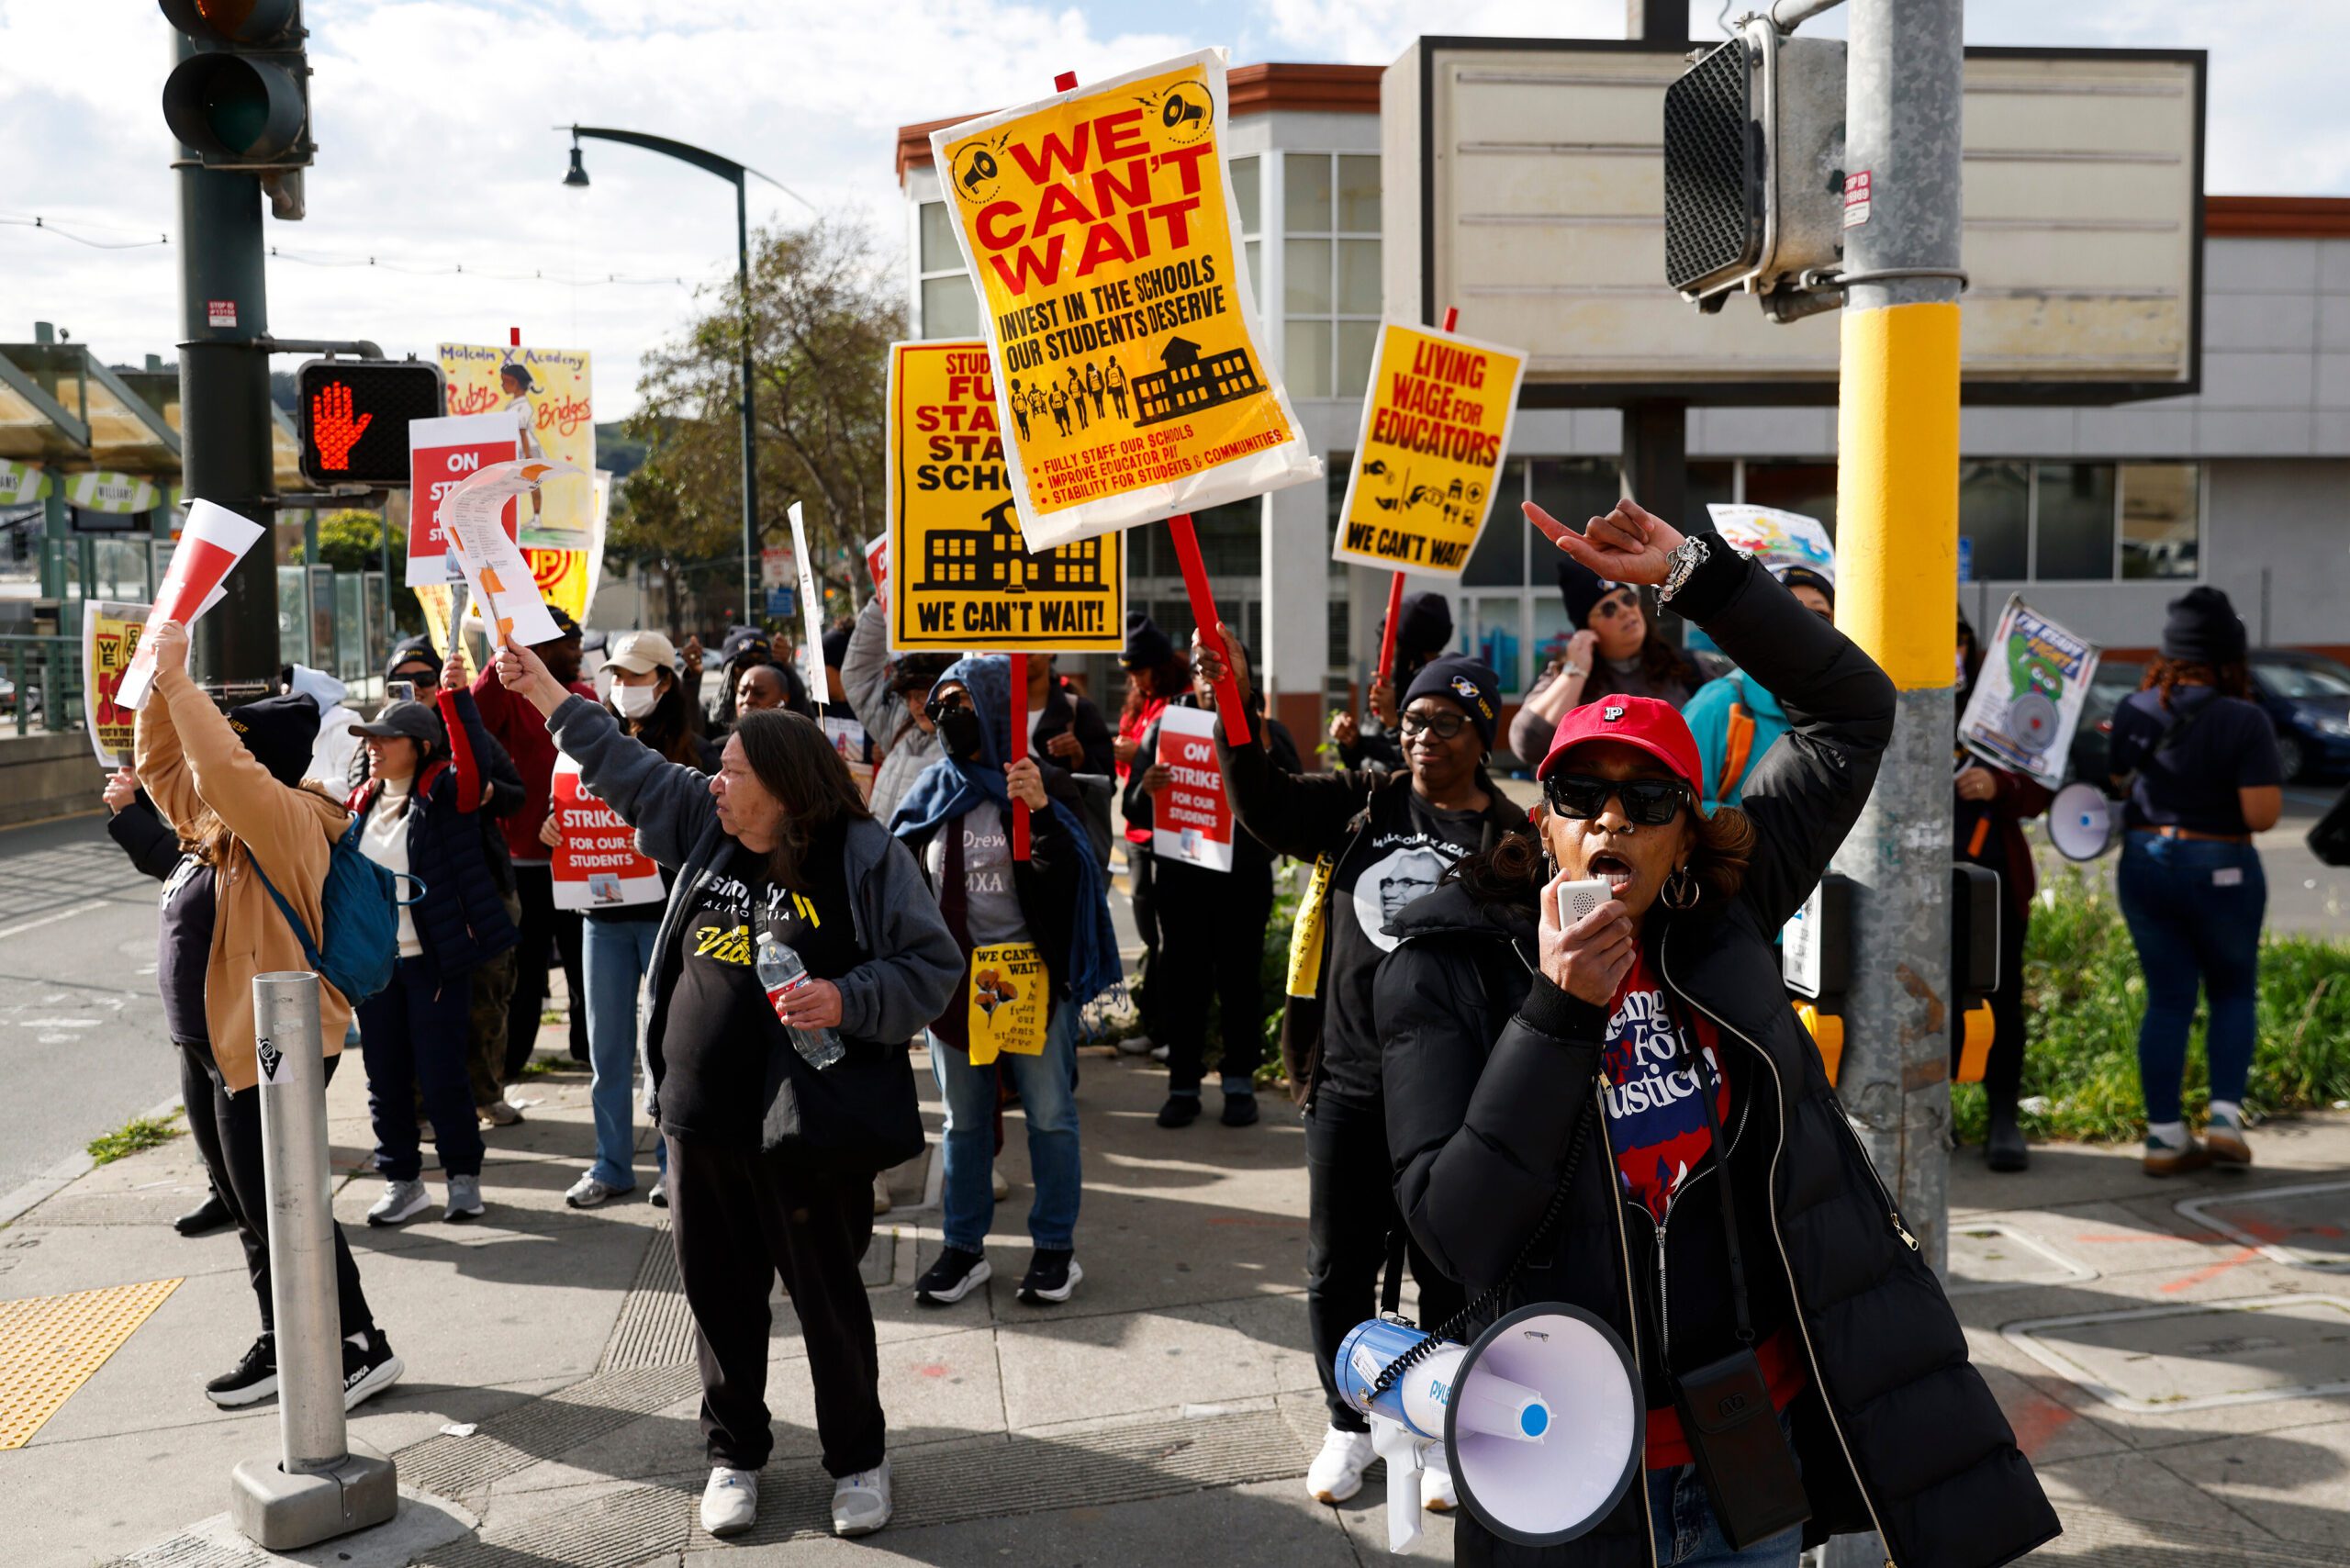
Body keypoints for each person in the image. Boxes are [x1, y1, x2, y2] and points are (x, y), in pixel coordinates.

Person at [1380, 498, 2058, 1568]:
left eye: (1648, 798)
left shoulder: (1721, 919)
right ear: (1541, 818)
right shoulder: (1449, 968)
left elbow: (1849, 709)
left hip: (1749, 1448)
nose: (1612, 821)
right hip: (1570, 1470)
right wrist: (1557, 1015)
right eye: (1579, 794)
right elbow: (1455, 1236)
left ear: (1686, 832)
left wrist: (1697, 577)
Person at [496, 634, 959, 1541]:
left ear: (786, 784)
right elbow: (621, 762)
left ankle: (858, 1459)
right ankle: (733, 1455)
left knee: (826, 1300)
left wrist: (843, 996)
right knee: (717, 1298)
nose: (715, 778)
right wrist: (548, 689)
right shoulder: (704, 820)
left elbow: (930, 965)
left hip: (806, 1128)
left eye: (736, 767)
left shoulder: (860, 855)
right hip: (698, 1120)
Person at [1192, 632, 1515, 1513]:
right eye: (1413, 720)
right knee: (1336, 1265)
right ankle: (1351, 1422)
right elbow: (1259, 800)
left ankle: (1446, 1423)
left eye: (1447, 723)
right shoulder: (1359, 808)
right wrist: (1234, 702)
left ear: (1483, 736)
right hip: (1349, 1081)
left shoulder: (1514, 840)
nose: (1423, 738)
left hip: (1457, 1099)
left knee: (1447, 1267)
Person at [133, 619, 402, 1411]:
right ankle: (286, 1337)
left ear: (264, 763)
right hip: (213, 1042)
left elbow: (218, 768)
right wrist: (156, 681)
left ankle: (357, 1342)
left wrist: (182, 679)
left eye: (237, 749)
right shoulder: (223, 831)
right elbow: (161, 767)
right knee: (249, 1204)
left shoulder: (288, 822)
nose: (213, 758)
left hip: (274, 1040)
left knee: (282, 1201)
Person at [891, 655, 1124, 1310]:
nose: (947, 719)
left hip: (1029, 978)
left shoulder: (1040, 782)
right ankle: (962, 1250)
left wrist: (1043, 811)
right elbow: (901, 872)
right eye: (942, 706)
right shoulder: (935, 787)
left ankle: (1054, 1250)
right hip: (955, 984)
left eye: (963, 706)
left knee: (1049, 1117)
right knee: (963, 1123)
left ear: (994, 707)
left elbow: (1080, 880)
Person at [2108, 586, 2284, 1176]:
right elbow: (2261, 815)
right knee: (2232, 991)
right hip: (2222, 868)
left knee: (2168, 997)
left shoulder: (2136, 708)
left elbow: (2115, 780)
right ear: (2230, 657)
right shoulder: (2244, 719)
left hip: (2143, 863)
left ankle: (2163, 1138)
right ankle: (2225, 1122)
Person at [345, 666, 519, 1227]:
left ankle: (463, 1180)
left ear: (419, 747)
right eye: (368, 739)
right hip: (377, 970)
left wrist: (457, 695)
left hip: (435, 965)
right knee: (385, 1078)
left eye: (384, 739)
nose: (372, 748)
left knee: (444, 1076)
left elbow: (476, 768)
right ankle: (402, 1182)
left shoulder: (444, 792)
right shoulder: (360, 800)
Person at [556, 630, 721, 1210]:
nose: (622, 687)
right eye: (616, 678)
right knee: (606, 1051)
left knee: (666, 1048)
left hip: (664, 919)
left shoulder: (694, 751)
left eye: (635, 677)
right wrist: (559, 832)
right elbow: (565, 815)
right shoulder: (587, 746)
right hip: (599, 917)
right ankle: (609, 1163)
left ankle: (667, 1164)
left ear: (666, 681)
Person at [1135, 640, 1299, 1127]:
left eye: (1221, 671)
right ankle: (1182, 1084)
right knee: (1182, 983)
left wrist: (1264, 742)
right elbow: (1134, 808)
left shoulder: (1267, 731)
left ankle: (1238, 1082)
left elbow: (1295, 796)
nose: (1211, 683)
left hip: (1244, 881)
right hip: (1182, 881)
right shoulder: (1169, 725)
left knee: (1240, 981)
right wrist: (1149, 789)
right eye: (1204, 673)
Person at [100, 764, 231, 1238]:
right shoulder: (214, 822)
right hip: (193, 1026)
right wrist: (129, 811)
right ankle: (227, 1195)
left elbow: (179, 863)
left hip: (230, 1022)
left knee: (253, 1176)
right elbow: (176, 861)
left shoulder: (259, 814)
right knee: (216, 1145)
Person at [471, 606, 595, 1079]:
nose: (577, 651)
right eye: (568, 642)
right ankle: (513, 1059)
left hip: (578, 858)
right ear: (541, 648)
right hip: (523, 862)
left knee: (585, 963)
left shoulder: (584, 697)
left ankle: (589, 1047)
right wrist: (501, 654)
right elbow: (475, 715)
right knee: (524, 971)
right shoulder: (508, 695)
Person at [1954, 610, 2053, 1174]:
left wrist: (2000, 784)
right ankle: (1931, 1115)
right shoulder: (1883, 690)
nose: (1951, 650)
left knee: (2001, 1000)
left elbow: (2038, 789)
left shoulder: (2003, 705)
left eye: (1958, 638)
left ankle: (2002, 1119)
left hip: (1992, 884)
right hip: (1913, 885)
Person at [1507, 556, 1714, 769]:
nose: (1625, 611)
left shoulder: (1688, 667)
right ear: (1587, 630)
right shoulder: (1565, 674)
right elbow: (1527, 745)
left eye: (1627, 599)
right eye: (1608, 609)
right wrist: (1574, 673)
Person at [1683, 566, 1835, 811]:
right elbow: (1680, 805)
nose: (1808, 627)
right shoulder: (1719, 704)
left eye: (1820, 614)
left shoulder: (1846, 709)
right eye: (1792, 612)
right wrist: (1754, 830)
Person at [1114, 614, 1188, 1056]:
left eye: (1142, 671)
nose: (1138, 681)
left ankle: (1169, 1030)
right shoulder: (1140, 702)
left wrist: (1136, 752)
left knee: (1170, 939)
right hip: (1138, 831)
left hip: (1171, 835)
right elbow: (1131, 773)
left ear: (1161, 666)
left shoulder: (1177, 704)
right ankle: (1155, 1024)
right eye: (1131, 674)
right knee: (1149, 937)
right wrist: (1130, 757)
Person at [841, 592, 953, 825]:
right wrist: (884, 597)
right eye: (909, 695)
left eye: (925, 692)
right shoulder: (900, 726)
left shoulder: (972, 744)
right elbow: (857, 676)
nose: (916, 704)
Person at [1331, 590, 1453, 774]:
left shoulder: (1439, 694)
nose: (1385, 651)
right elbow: (1364, 764)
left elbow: (1426, 772)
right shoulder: (1392, 686)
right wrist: (1351, 741)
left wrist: (1393, 724)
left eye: (1392, 642)